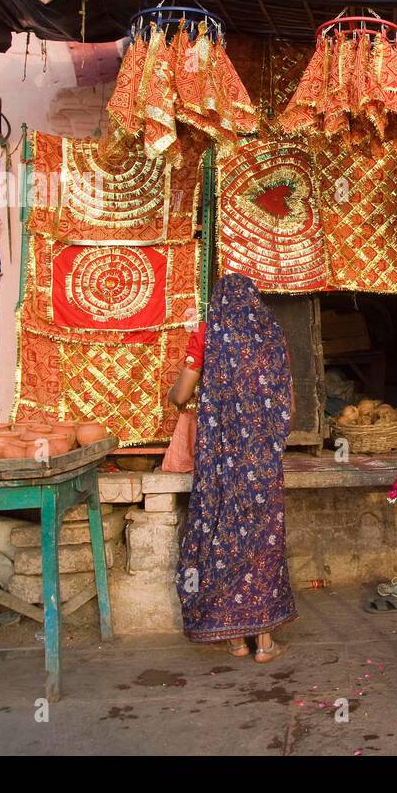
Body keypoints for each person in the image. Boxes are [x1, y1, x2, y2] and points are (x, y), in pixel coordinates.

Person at [176, 274, 297, 662]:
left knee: (220, 536)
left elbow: (181, 394)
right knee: (262, 543)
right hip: (261, 464)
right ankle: (264, 643)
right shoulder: (272, 337)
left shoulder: (207, 335)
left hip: (219, 465)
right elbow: (289, 408)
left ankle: (233, 639)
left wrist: (178, 397)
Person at [163, 320, 208, 472]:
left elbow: (181, 396)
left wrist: (171, 394)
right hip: (261, 446)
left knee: (192, 402)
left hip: (219, 445)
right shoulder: (273, 331)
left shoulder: (207, 331)